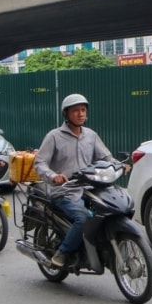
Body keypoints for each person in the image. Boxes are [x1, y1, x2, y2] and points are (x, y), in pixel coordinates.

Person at [34, 93, 127, 267]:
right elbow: (40, 162)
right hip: (64, 191)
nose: (80, 114)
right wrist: (54, 176)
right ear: (66, 114)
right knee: (83, 218)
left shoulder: (90, 135)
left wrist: (118, 165)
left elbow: (106, 156)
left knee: (111, 210)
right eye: (76, 110)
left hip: (90, 189)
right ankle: (63, 252)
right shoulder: (54, 136)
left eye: (83, 110)